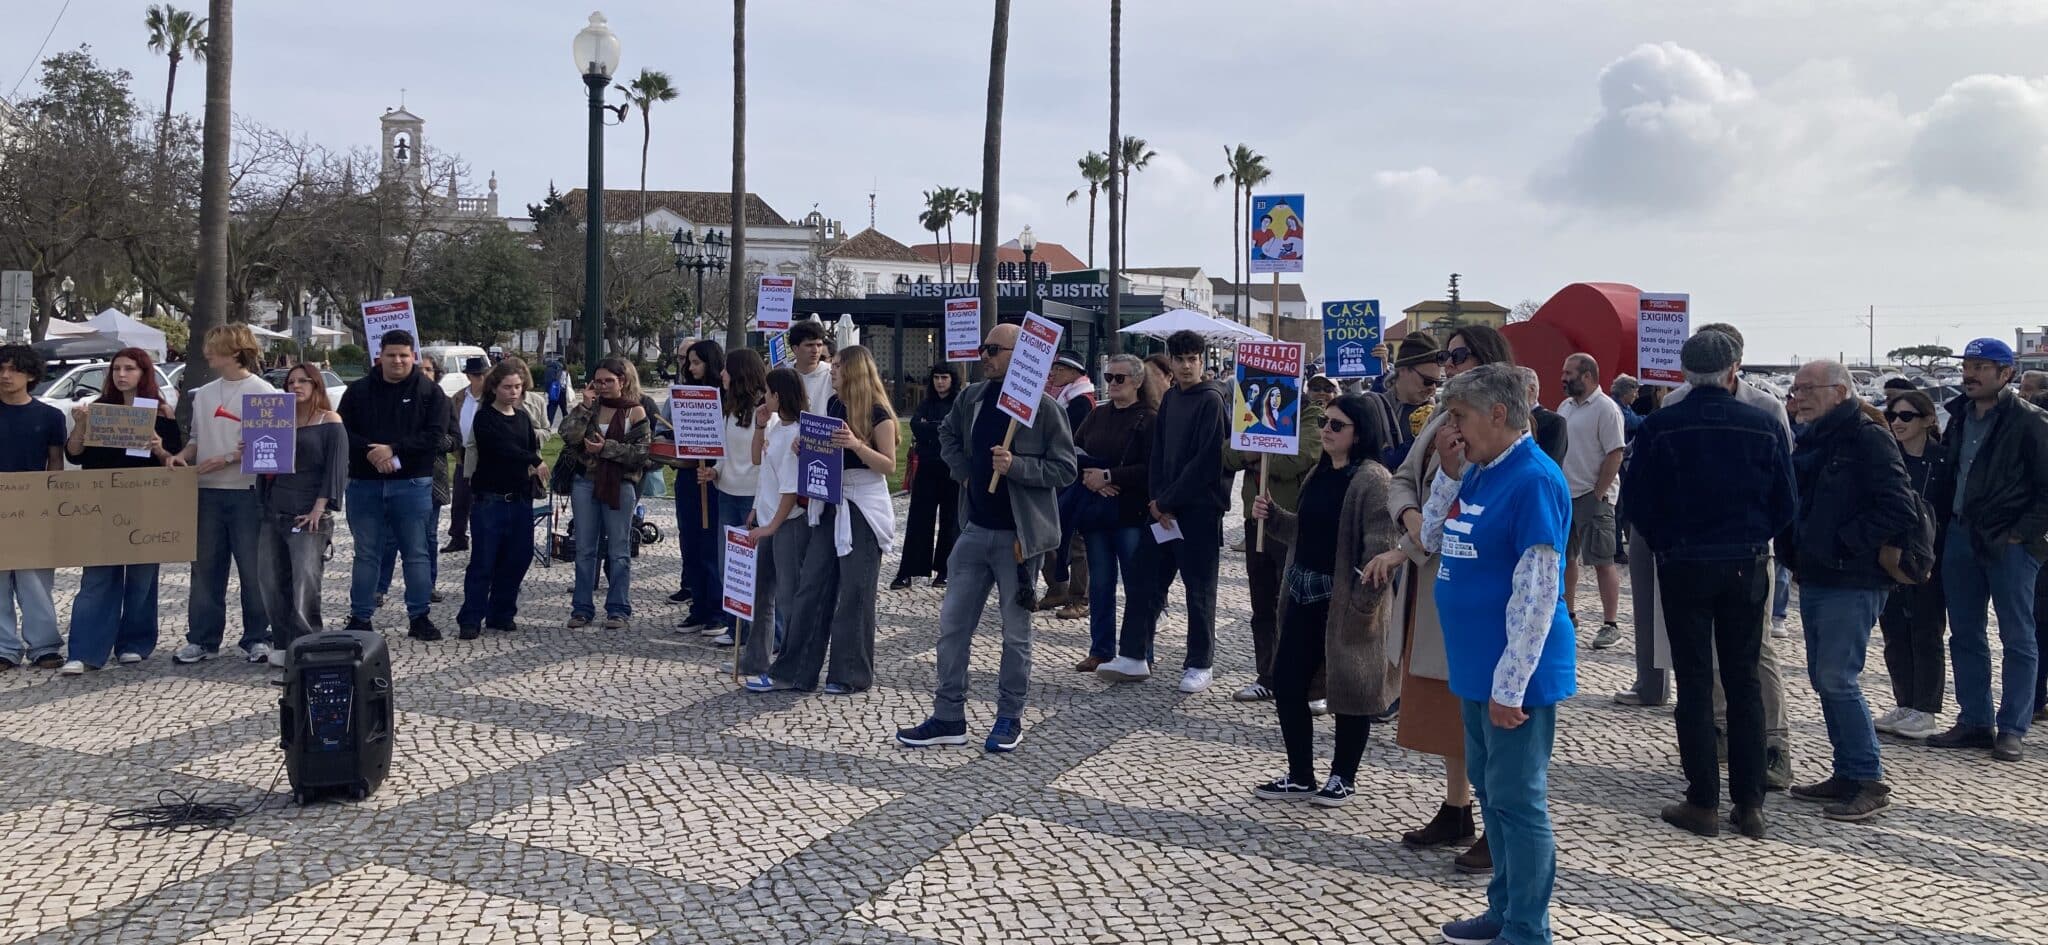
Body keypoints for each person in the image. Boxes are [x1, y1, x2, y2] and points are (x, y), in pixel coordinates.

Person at [1402, 364, 1575, 945]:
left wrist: (1511, 682)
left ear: (1498, 414)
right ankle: (1503, 908)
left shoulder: (1533, 478)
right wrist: (1448, 477)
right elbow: (1430, 538)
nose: (1452, 428)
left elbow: (1538, 587)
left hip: (1513, 674)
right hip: (1475, 666)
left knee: (1518, 800)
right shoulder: (1479, 471)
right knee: (1490, 789)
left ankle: (1529, 926)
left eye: (1460, 416)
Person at [1621, 331, 1796, 839]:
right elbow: (1786, 503)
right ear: (1733, 370)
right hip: (1744, 561)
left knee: (1696, 681)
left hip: (1683, 563)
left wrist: (1667, 543)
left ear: (1683, 372)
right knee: (1743, 680)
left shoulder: (1661, 425)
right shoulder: (1763, 424)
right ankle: (1751, 802)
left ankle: (1703, 800)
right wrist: (1756, 538)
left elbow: (1637, 500)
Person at [1372, 323, 1513, 873]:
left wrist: (1413, 539)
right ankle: (1457, 806)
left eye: (1457, 356)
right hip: (1429, 581)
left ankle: (1497, 818)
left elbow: (1479, 505)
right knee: (1441, 699)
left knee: (1477, 703)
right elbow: (1404, 477)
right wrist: (1411, 517)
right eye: (1446, 357)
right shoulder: (1440, 418)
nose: (1447, 365)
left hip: (1470, 583)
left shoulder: (1506, 425)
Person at [897, 324, 1077, 750]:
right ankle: (948, 715)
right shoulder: (972, 397)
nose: (984, 355)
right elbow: (947, 436)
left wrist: (1016, 466)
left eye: (993, 349)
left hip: (1019, 539)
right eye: (983, 347)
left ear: (1020, 354)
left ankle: (1009, 716)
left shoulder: (1044, 407)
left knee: (1016, 635)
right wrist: (963, 474)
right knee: (952, 627)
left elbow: (1065, 469)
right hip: (974, 530)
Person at [1783, 359, 1917, 820]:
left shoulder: (1867, 436)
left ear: (1839, 392)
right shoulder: (1814, 437)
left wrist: (1843, 544)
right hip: (1819, 574)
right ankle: (1846, 772)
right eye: (1796, 388)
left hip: (1853, 577)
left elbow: (1900, 508)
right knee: (1824, 677)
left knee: (1839, 678)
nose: (1798, 395)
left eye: (1808, 388)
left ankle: (1868, 777)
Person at [1252, 394, 1400, 806]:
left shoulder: (1374, 481)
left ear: (1360, 432)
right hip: (1302, 592)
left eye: (1337, 425)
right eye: (1325, 424)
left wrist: (1362, 605)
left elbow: (1380, 549)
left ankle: (1342, 777)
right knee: (1287, 681)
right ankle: (1300, 774)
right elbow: (1306, 532)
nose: (1326, 431)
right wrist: (1275, 517)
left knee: (1352, 688)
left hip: (1346, 604)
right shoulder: (1318, 472)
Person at [747, 345, 898, 694]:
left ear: (855, 371)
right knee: (811, 585)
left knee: (855, 591)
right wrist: (808, 446)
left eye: (839, 367)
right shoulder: (832, 405)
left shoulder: (879, 414)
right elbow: (825, 452)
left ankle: (850, 673)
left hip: (861, 504)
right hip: (829, 501)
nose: (832, 370)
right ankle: (794, 670)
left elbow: (888, 465)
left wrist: (856, 445)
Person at [1928, 338, 2048, 762]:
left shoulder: (2031, 422)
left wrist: (2023, 534)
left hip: (2010, 542)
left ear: (2006, 374)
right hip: (1961, 534)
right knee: (1964, 632)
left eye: (1982, 366)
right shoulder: (1958, 416)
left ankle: (2013, 726)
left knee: (2018, 634)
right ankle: (1975, 720)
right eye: (1968, 365)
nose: (1971, 373)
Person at [1098, 329, 1230, 693]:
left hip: (1198, 512)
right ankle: (1133, 655)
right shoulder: (1171, 399)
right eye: (1180, 359)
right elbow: (1157, 454)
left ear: (1203, 361)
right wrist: (1155, 502)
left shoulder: (1211, 401)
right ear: (1170, 362)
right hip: (1160, 512)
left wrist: (1168, 501)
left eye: (1193, 359)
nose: (1186, 366)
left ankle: (1200, 663)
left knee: (1199, 590)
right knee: (1143, 581)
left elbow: (1207, 463)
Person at [59, 348, 182, 672]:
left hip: (145, 504)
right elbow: (75, 455)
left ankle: (134, 643)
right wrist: (80, 426)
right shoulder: (99, 409)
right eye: (117, 369)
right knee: (97, 577)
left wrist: (159, 447)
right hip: (102, 504)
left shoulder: (161, 412)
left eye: (130, 368)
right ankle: (85, 650)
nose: (121, 374)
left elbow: (174, 462)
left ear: (144, 374)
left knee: (142, 578)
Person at [174, 324, 277, 664]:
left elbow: (271, 449)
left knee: (253, 569)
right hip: (206, 493)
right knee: (205, 569)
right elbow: (195, 439)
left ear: (235, 353)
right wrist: (181, 457)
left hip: (247, 492)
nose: (207, 352)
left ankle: (257, 637)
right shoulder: (203, 394)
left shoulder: (265, 392)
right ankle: (202, 639)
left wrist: (229, 458)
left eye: (214, 347)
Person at [339, 330, 449, 641]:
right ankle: (360, 617)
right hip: (364, 483)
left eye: (404, 355)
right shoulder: (357, 391)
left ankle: (419, 616)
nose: (398, 360)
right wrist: (372, 453)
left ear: (413, 356)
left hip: (412, 484)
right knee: (366, 554)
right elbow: (342, 430)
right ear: (380, 356)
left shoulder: (430, 392)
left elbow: (435, 435)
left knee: (415, 553)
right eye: (391, 355)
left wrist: (394, 450)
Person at [1223, 369, 1325, 702]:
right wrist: (1256, 452)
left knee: (1295, 606)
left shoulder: (1311, 415)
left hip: (1293, 524)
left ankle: (1304, 679)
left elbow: (1297, 459)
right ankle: (1267, 674)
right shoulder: (1250, 411)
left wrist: (1253, 451)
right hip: (1258, 522)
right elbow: (1227, 454)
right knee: (1262, 604)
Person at [253, 363, 347, 661]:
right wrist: (251, 450)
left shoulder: (329, 421)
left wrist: (320, 507)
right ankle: (282, 642)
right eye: (291, 381)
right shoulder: (275, 421)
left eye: (303, 381)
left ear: (316, 385)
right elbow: (266, 467)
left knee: (304, 582)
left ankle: (306, 643)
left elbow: (336, 468)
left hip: (309, 513)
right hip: (274, 510)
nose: (296, 386)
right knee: (270, 579)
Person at [1072, 353, 1155, 672]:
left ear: (1137, 381)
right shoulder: (1098, 414)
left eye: (1119, 378)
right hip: (1097, 515)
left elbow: (1151, 468)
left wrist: (1109, 477)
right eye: (1108, 378)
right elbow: (1074, 450)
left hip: (1131, 515)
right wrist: (1092, 478)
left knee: (1137, 586)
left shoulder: (1149, 418)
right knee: (1101, 584)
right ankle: (1101, 648)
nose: (1113, 384)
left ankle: (1140, 650)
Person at [1874, 388, 1948, 741]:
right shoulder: (1889, 457)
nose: (1897, 423)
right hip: (1891, 556)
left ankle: (1926, 708)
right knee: (1894, 631)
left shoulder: (1944, 461)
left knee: (1927, 631)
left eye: (1906, 416)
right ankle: (1905, 702)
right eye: (1892, 416)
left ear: (1928, 420)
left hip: (1931, 557)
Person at [456, 358, 547, 640]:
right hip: (489, 501)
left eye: (518, 387)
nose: (514, 392)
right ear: (495, 387)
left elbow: (531, 445)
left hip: (519, 498)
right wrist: (533, 459)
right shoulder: (484, 417)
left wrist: (534, 465)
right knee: (484, 561)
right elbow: (501, 448)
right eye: (508, 387)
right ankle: (471, 617)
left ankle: (502, 612)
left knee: (518, 558)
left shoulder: (522, 418)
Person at [559, 358, 652, 629]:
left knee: (619, 550)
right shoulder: (589, 408)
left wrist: (606, 449)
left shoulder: (635, 412)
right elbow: (567, 435)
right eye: (598, 381)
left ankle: (618, 609)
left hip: (620, 485)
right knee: (585, 548)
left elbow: (642, 454)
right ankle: (581, 608)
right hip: (585, 483)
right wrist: (586, 406)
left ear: (622, 382)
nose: (602, 386)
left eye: (608, 381)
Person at [739, 368, 808, 678]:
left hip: (787, 523)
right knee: (760, 595)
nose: (763, 398)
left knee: (788, 596)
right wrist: (759, 425)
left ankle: (792, 664)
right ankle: (756, 659)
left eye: (767, 392)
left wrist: (772, 526)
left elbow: (790, 489)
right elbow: (759, 462)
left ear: (778, 395)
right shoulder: (776, 425)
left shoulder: (798, 433)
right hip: (765, 518)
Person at [1556, 353, 1626, 649]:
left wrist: (1599, 492)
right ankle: (1569, 616)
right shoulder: (1565, 407)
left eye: (1568, 372)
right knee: (1566, 558)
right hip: (1565, 494)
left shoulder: (1606, 408)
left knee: (1601, 560)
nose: (1563, 377)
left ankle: (1610, 623)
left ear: (1587, 376)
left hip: (1593, 496)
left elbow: (1615, 453)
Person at [700, 348, 766, 645]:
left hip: (753, 496)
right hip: (727, 492)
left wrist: (758, 503)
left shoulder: (763, 411)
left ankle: (761, 634)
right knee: (731, 565)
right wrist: (715, 471)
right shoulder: (728, 409)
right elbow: (725, 452)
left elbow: (766, 460)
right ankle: (735, 627)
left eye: (727, 369)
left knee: (757, 568)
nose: (722, 374)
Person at [376, 355, 451, 608]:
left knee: (427, 537)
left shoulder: (443, 401)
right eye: (421, 369)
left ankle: (426, 587)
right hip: (395, 473)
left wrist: (430, 438)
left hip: (431, 478)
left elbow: (454, 440)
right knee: (389, 538)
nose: (425, 373)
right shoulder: (402, 401)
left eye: (429, 369)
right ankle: (380, 587)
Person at [673, 339, 728, 634]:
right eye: (688, 362)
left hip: (713, 477)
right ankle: (698, 605)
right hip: (689, 476)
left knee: (710, 544)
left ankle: (716, 608)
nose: (691, 368)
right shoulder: (683, 395)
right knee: (690, 541)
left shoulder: (725, 396)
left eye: (696, 362)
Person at [1036, 353, 1097, 616]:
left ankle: (1080, 596)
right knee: (1048, 533)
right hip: (1054, 471)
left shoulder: (1080, 402)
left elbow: (1067, 437)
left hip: (1072, 473)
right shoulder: (1061, 397)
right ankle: (1057, 587)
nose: (1054, 374)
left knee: (1076, 537)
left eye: (1059, 369)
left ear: (1074, 373)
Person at [893, 364, 961, 590]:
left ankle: (945, 570)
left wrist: (930, 428)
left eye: (944, 378)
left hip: (951, 470)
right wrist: (938, 429)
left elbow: (955, 430)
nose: (940, 382)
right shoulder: (926, 403)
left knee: (950, 521)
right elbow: (916, 426)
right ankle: (908, 571)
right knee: (919, 520)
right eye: (936, 378)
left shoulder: (958, 404)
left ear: (952, 380)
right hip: (927, 468)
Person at [1359, 333, 1442, 471]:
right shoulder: (1373, 407)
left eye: (1438, 383)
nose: (1432, 389)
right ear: (1403, 370)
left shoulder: (1440, 410)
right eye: (1427, 381)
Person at [443, 356, 490, 553]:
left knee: (483, 500)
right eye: (477, 375)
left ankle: (484, 537)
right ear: (469, 376)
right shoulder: (459, 397)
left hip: (486, 452)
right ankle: (458, 536)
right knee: (461, 499)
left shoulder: (491, 397)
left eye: (483, 375)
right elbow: (450, 423)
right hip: (463, 451)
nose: (481, 379)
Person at [1517, 366, 1568, 465]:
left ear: (1531, 389)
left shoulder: (1554, 422)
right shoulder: (1507, 420)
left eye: (1514, 388)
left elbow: (1550, 463)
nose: (1509, 394)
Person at [788, 320, 835, 425]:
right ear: (795, 348)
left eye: (819, 345)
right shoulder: (784, 375)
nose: (815, 350)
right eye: (809, 345)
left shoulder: (832, 373)